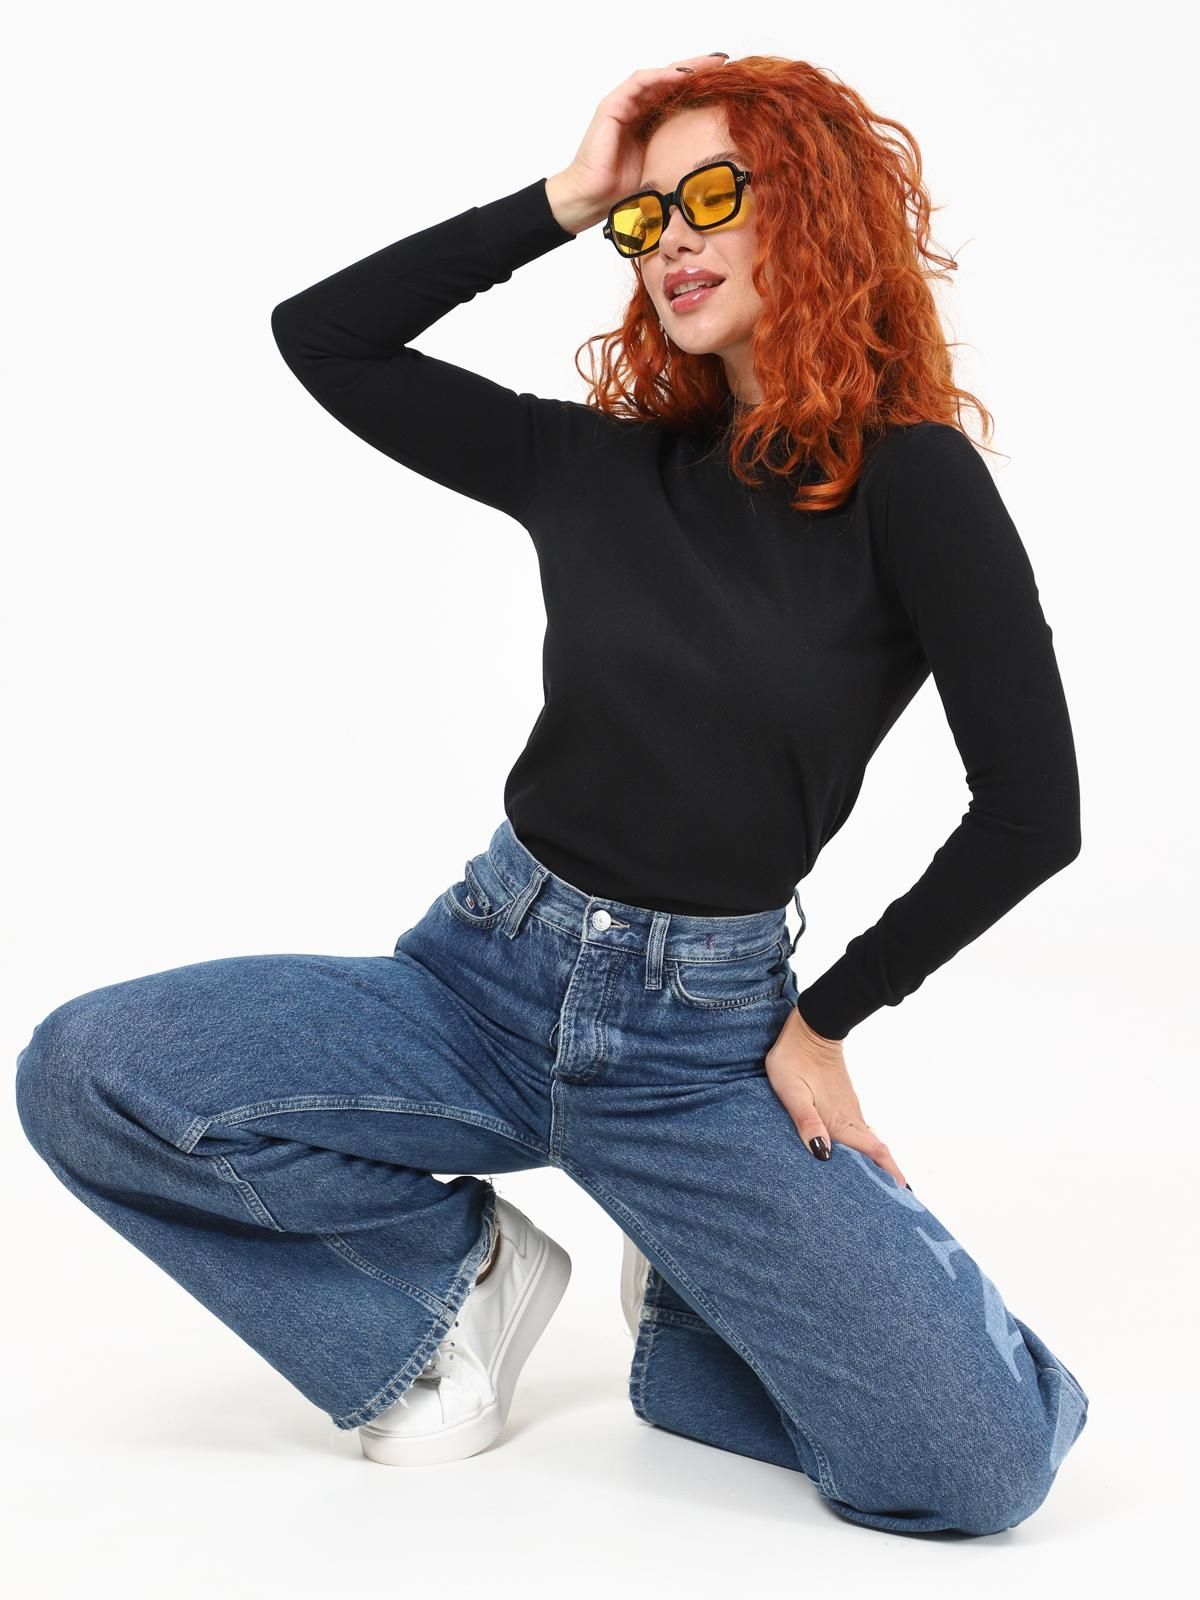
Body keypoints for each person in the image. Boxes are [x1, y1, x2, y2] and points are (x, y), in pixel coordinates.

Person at [14, 53, 1090, 1533]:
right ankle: (453, 1288)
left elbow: (1033, 813)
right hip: (481, 983)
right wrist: (566, 198)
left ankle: (688, 1303)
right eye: (647, 220)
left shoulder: (912, 484)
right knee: (85, 1074)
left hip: (698, 1049)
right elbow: (325, 337)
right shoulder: (595, 465)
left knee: (975, 1474)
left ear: (817, 209)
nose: (671, 242)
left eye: (712, 197)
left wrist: (827, 1020)